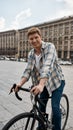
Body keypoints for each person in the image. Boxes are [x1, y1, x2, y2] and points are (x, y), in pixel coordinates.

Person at [14, 27, 65, 130]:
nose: (34, 40)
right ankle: (41, 127)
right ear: (29, 40)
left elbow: (47, 66)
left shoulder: (50, 47)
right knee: (41, 107)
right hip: (43, 84)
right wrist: (19, 84)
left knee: (55, 108)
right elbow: (28, 71)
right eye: (31, 39)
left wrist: (41, 85)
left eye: (36, 37)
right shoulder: (31, 54)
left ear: (41, 37)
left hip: (56, 82)